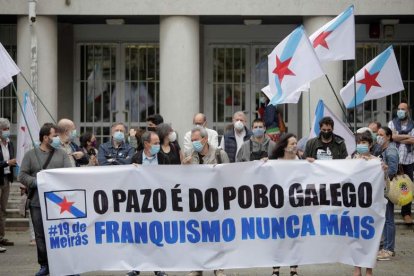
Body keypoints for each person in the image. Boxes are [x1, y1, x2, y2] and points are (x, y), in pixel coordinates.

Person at [18, 123, 73, 276]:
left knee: (62, 234)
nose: (57, 138)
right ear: (45, 137)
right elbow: (21, 176)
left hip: (60, 203)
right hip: (37, 202)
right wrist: (37, 181)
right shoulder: (30, 155)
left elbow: (68, 174)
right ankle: (45, 265)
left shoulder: (61, 154)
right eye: (54, 135)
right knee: (41, 235)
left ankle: (66, 265)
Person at [183, 127, 228, 276]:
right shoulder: (188, 155)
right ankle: (197, 267)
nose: (194, 143)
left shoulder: (219, 154)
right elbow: (181, 179)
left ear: (205, 139)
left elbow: (230, 177)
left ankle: (218, 267)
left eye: (197, 140)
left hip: (216, 201)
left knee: (216, 234)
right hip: (196, 202)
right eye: (192, 140)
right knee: (197, 235)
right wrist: (184, 167)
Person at [130, 131, 167, 276]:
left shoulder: (164, 158)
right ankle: (136, 266)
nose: (159, 145)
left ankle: (158, 267)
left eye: (159, 142)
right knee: (139, 234)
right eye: (156, 143)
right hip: (140, 203)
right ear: (146, 144)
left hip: (158, 202)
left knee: (157, 235)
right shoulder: (136, 157)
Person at [269, 133, 301, 276]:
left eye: (296, 143)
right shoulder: (275, 160)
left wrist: (312, 163)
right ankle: (276, 268)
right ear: (284, 146)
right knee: (278, 237)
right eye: (292, 144)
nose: (295, 146)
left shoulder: (301, 160)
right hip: (278, 204)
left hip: (295, 204)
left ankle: (293, 269)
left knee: (294, 236)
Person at [352, 131, 383, 276]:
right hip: (355, 205)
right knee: (356, 236)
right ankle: (357, 267)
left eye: (364, 143)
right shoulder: (350, 160)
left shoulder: (377, 162)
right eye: (359, 142)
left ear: (370, 145)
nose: (361, 145)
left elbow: (385, 186)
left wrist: (384, 172)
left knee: (371, 237)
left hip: (371, 206)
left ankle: (369, 268)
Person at [388, 101, 414, 224]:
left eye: (403, 109)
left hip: (408, 160)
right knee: (390, 185)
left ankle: (406, 213)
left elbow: (413, 141)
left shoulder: (413, 125)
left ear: (407, 111)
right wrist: (407, 137)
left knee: (406, 187)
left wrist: (398, 136)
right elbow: (391, 137)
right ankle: (389, 211)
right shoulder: (391, 123)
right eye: (398, 108)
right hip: (394, 159)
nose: (400, 111)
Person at [377, 126, 399, 261]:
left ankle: (389, 249)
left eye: (381, 134)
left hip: (389, 188)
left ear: (388, 136)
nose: (378, 136)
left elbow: (392, 170)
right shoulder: (383, 149)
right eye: (377, 134)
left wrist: (383, 170)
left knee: (389, 219)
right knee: (386, 218)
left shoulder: (390, 150)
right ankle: (386, 246)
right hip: (384, 188)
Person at [0, 118, 16, 252]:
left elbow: (12, 158)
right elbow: (6, 162)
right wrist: (6, 163)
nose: (7, 132)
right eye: (4, 129)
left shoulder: (10, 143)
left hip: (6, 178)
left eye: (7, 129)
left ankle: (1, 236)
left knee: (3, 209)